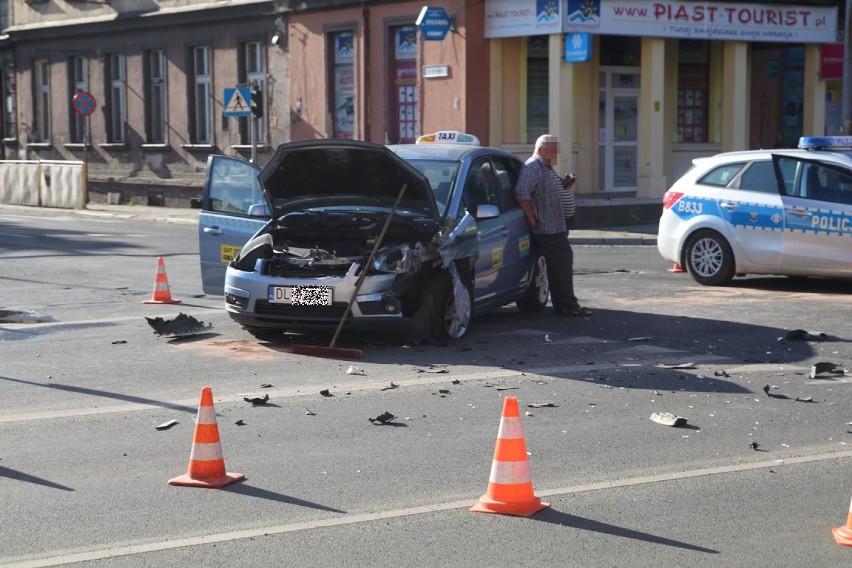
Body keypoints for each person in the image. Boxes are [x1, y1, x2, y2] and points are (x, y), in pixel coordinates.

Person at [514, 134, 591, 317]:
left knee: (560, 264)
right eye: (553, 151)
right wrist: (531, 217)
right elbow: (521, 191)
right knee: (562, 263)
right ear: (541, 150)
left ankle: (565, 304)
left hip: (556, 224)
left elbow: (547, 191)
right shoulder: (534, 166)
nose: (556, 155)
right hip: (548, 226)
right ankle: (567, 305)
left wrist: (564, 186)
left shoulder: (545, 168)